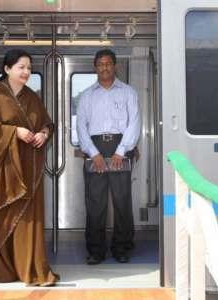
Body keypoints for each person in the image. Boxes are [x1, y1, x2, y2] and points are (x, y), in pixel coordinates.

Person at [0, 49, 59, 286]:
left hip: (28, 171)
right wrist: (14, 132)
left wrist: (44, 133)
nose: (27, 72)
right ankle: (3, 269)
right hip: (3, 172)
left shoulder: (32, 97)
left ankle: (28, 267)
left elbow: (47, 123)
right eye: (21, 67)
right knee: (1, 216)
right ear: (7, 69)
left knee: (28, 221)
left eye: (29, 68)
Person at [76, 49, 141, 265]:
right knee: (96, 203)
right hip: (95, 148)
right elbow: (81, 126)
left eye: (108, 63)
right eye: (100, 64)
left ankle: (122, 247)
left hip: (120, 147)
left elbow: (134, 123)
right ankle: (96, 250)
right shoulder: (87, 95)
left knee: (122, 201)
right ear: (95, 67)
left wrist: (121, 151)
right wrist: (93, 153)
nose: (105, 67)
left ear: (115, 66)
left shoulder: (128, 93)